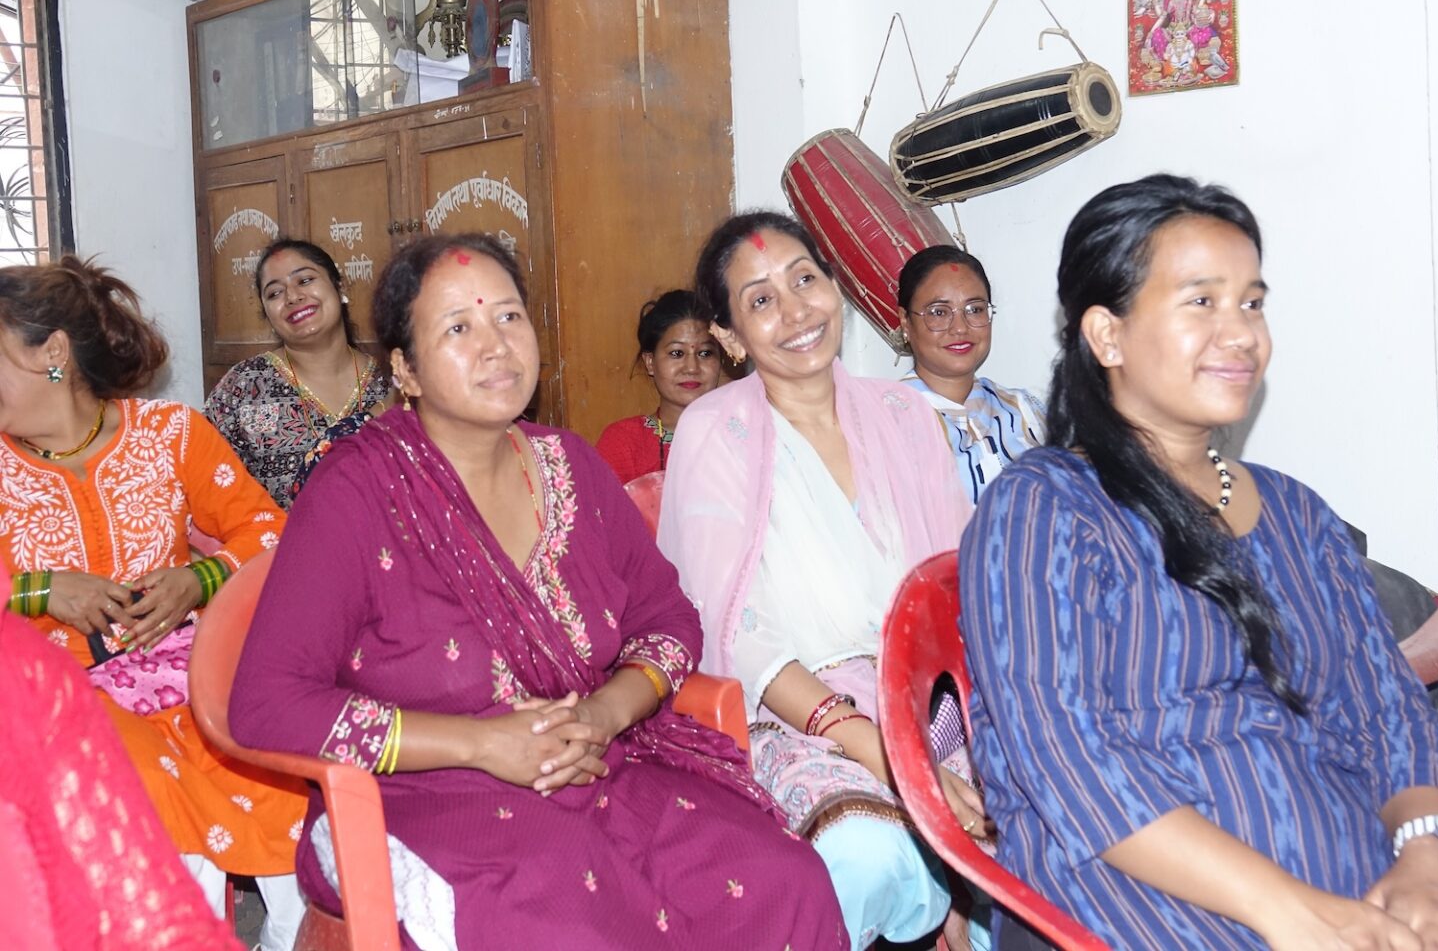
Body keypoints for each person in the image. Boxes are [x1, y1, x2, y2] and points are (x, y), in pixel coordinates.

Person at [228, 232, 846, 950]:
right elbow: (268, 704)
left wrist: (605, 713)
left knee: (781, 879)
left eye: (509, 317)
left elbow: (668, 619)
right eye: (458, 327)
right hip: (425, 795)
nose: (495, 346)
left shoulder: (571, 466)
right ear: (406, 369)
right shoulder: (355, 494)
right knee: (575, 927)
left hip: (603, 762)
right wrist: (485, 744)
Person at [959, 175, 1438, 950]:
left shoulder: (1300, 516)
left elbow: (1385, 710)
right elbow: (1066, 760)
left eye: (1252, 302)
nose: (1243, 332)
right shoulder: (1046, 506)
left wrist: (1423, 855)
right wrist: (1287, 911)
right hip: (1141, 895)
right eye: (1201, 302)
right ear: (1106, 336)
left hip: (1350, 889)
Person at [659, 211, 984, 951]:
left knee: (1048, 823)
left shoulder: (903, 413)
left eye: (805, 279)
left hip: (929, 702)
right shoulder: (716, 430)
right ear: (733, 337)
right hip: (800, 715)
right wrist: (874, 747)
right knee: (868, 855)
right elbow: (732, 626)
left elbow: (956, 584)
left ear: (834, 288)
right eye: (762, 299)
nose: (796, 310)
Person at [0, 256, 307, 950]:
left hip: (195, 673)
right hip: (67, 699)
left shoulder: (169, 435)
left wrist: (199, 580)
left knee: (277, 768)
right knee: (145, 790)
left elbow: (269, 532)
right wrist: (42, 590)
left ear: (52, 355)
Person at [0, 610, 243, 951]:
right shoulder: (29, 665)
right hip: (74, 666)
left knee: (267, 782)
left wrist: (200, 578)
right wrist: (43, 590)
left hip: (183, 646)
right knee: (158, 787)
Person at [205, 238, 390, 509]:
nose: (293, 297)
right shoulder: (243, 387)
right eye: (274, 293)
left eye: (304, 281)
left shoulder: (391, 384)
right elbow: (202, 486)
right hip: (277, 550)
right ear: (266, 313)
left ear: (340, 287)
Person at [898, 245, 1046, 504]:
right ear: (905, 322)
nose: (960, 328)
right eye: (939, 312)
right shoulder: (885, 422)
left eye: (974, 309)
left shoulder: (1025, 410)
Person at [595, 289, 721, 484]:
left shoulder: (741, 437)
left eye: (705, 353)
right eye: (677, 353)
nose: (692, 368)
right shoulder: (623, 443)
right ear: (650, 362)